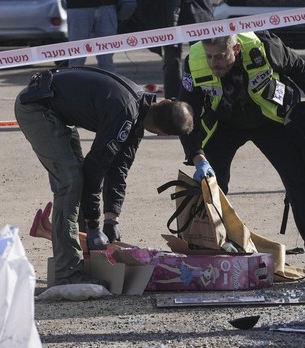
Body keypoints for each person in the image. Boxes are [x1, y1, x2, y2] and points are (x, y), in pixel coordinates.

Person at [178, 31, 305, 276]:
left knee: (301, 184)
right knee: (210, 188)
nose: (214, 63)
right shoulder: (193, 61)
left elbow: (298, 67)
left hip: (269, 120)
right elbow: (186, 115)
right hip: (224, 124)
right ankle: (206, 252)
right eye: (209, 56)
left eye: (220, 56)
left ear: (235, 50)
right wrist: (197, 156)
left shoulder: (265, 46)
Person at [14, 66, 194, 286]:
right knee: (71, 182)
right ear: (161, 134)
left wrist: (111, 219)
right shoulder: (125, 113)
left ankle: (88, 262)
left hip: (54, 108)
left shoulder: (139, 110)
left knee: (79, 182)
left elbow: (118, 169)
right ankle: (66, 272)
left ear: (165, 102)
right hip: (35, 107)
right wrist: (93, 224)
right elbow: (95, 168)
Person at [117, 0, 214, 99]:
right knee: (172, 61)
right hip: (168, 11)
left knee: (201, 57)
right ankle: (172, 102)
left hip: (196, 10)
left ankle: (205, 96)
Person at [66, 0, 124, 72]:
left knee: (106, 57)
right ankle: (72, 80)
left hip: (107, 5)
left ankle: (108, 81)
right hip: (77, 6)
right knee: (76, 55)